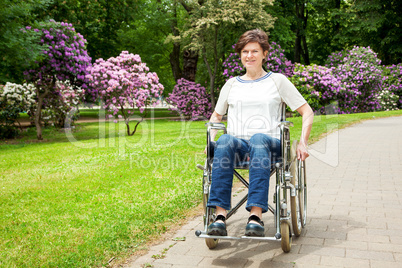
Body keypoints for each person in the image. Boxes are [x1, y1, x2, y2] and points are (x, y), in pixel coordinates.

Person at [206, 29, 314, 237]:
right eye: (245, 51)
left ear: (265, 53)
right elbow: (216, 117)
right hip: (238, 147)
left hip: (270, 147)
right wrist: (211, 140)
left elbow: (306, 111)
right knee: (225, 139)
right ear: (240, 54)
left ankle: (255, 216)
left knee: (258, 139)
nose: (249, 56)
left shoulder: (278, 81)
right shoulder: (231, 84)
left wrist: (303, 142)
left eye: (255, 51)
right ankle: (219, 217)